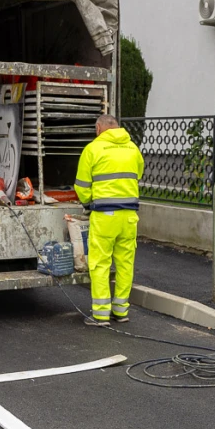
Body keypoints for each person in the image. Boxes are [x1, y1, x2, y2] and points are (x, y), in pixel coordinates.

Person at [75, 114, 145, 325]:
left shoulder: (93, 149)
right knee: (125, 264)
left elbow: (82, 185)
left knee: (100, 263)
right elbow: (138, 174)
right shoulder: (133, 148)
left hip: (105, 215)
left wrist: (87, 203)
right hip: (130, 216)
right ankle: (121, 311)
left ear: (98, 128)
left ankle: (101, 314)